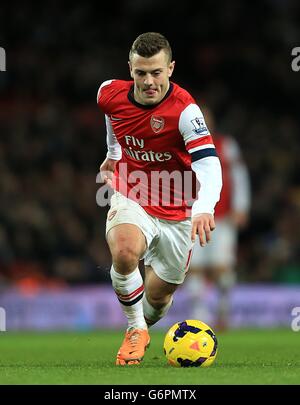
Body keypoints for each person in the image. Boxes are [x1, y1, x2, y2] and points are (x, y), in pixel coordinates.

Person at [97, 32, 222, 365]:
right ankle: (136, 329)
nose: (148, 81)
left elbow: (209, 163)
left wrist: (203, 208)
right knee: (124, 252)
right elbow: (112, 118)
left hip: (178, 210)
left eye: (156, 72)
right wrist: (112, 153)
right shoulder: (109, 93)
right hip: (131, 191)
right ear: (130, 69)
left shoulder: (185, 111)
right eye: (140, 73)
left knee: (157, 297)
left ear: (170, 69)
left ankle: (144, 322)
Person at [186, 106, 251, 331]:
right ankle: (199, 314)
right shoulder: (182, 146)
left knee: (222, 267)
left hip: (221, 217)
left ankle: (223, 310)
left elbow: (239, 176)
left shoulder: (226, 144)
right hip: (191, 217)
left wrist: (241, 206)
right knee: (194, 267)